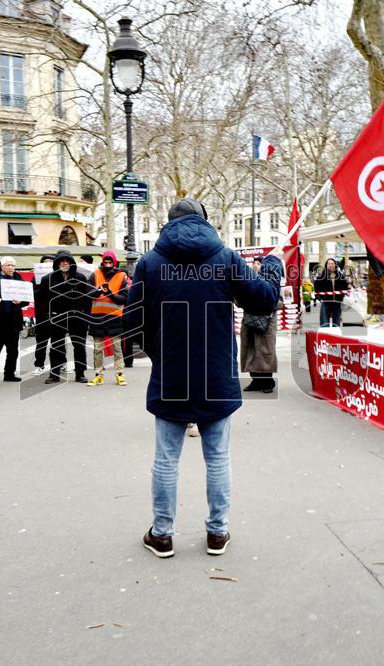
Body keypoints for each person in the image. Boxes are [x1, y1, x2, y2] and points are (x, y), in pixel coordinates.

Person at [125, 197, 281, 559]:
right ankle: (217, 532)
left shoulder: (149, 263)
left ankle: (162, 534)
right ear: (205, 221)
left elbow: (132, 322)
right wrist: (272, 264)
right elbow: (265, 299)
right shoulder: (225, 257)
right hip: (216, 374)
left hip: (172, 374)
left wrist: (159, 352)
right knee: (218, 458)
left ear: (169, 223)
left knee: (166, 460)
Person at [41, 250, 90, 384]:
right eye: (61, 261)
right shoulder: (47, 279)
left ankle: (80, 373)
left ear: (71, 263)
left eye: (67, 261)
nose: (64, 263)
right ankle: (54, 374)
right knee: (56, 346)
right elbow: (42, 300)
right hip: (57, 317)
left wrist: (86, 316)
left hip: (77, 317)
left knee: (79, 346)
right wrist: (48, 316)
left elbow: (87, 299)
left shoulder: (80, 278)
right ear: (56, 264)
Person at [86, 250, 130, 386]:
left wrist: (110, 294)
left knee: (117, 347)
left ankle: (120, 374)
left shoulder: (121, 276)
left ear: (115, 262)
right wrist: (98, 290)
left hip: (114, 317)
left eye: (111, 262)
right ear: (103, 261)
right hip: (97, 316)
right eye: (106, 261)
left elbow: (124, 298)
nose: (108, 264)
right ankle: (98, 375)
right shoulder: (95, 274)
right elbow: (88, 294)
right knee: (97, 348)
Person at [241, 255, 282, 393]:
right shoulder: (248, 281)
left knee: (265, 352)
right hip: (250, 319)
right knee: (251, 351)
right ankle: (256, 381)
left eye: (259, 263)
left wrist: (267, 305)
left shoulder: (272, 281)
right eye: (254, 263)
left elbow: (279, 301)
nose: (255, 265)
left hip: (267, 321)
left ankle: (268, 382)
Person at [0, 256, 26, 386]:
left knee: (13, 350)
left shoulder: (19, 279)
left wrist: (21, 302)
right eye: (8, 265)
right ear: (2, 266)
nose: (11, 268)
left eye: (13, 265)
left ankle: (9, 374)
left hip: (14, 320)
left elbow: (26, 298)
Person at [32, 254, 55, 376]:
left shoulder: (59, 277)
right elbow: (33, 293)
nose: (48, 264)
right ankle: (39, 364)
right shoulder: (36, 277)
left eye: (51, 262)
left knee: (58, 341)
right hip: (41, 314)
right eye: (46, 262)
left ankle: (60, 364)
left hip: (57, 314)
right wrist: (42, 286)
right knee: (41, 341)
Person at [314, 258, 348, 327]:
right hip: (326, 302)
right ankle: (324, 336)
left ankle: (335, 336)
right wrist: (320, 298)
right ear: (326, 265)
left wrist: (341, 297)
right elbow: (317, 287)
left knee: (336, 322)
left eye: (332, 263)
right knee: (324, 322)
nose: (331, 265)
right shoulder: (322, 276)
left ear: (335, 265)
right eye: (329, 264)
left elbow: (345, 286)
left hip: (337, 302)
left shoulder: (340, 275)